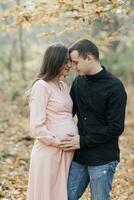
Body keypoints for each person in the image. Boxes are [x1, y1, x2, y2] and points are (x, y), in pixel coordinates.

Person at [60, 39, 127, 200]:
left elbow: (116, 127)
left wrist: (82, 141)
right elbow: (67, 113)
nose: (73, 67)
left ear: (89, 58)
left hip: (103, 158)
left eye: (76, 62)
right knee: (65, 196)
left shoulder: (115, 87)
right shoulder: (78, 82)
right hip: (80, 157)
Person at [26, 43, 78, 200]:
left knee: (60, 195)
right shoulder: (41, 86)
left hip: (66, 152)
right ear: (54, 61)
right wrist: (57, 142)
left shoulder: (62, 85)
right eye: (65, 61)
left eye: (69, 61)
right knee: (47, 195)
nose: (69, 65)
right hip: (49, 152)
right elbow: (36, 126)